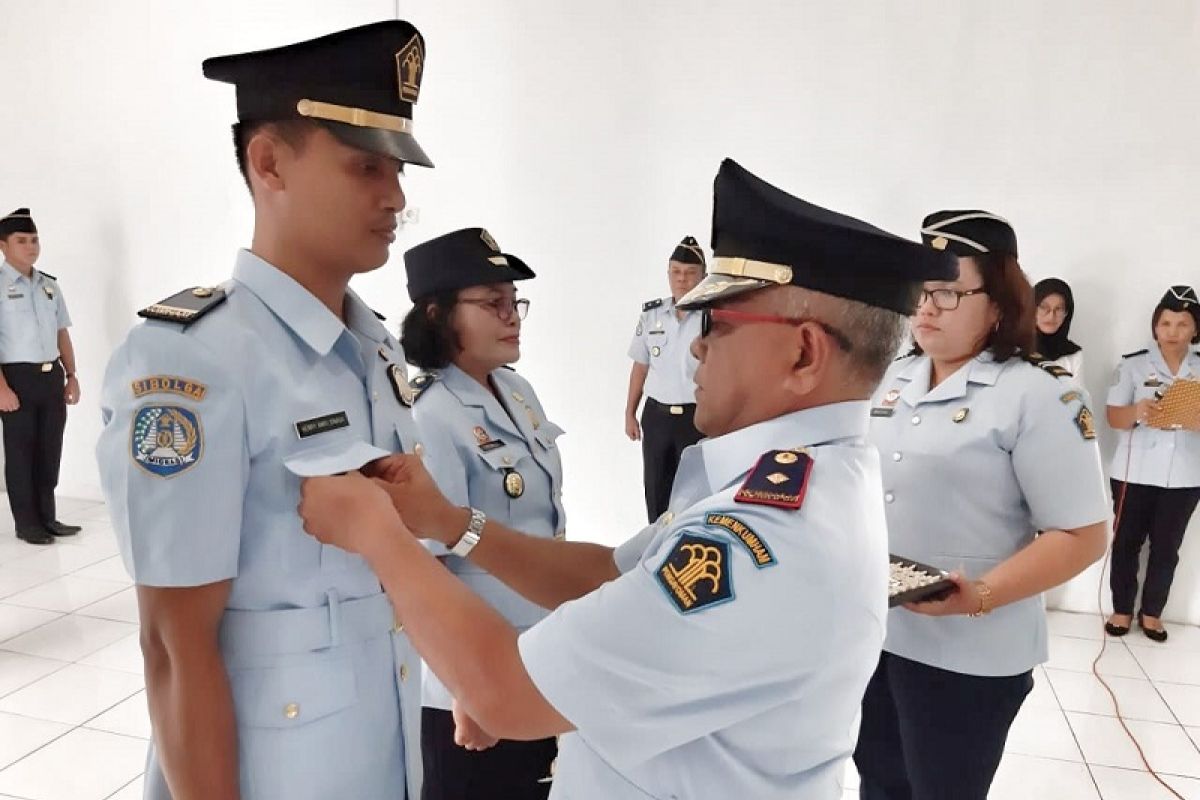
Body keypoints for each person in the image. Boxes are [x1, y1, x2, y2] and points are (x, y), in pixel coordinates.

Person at [297, 158, 958, 799]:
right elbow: (609, 573)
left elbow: (507, 694)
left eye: (718, 323)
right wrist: (447, 523)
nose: (694, 344)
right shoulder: (796, 481)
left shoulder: (766, 538)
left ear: (804, 352)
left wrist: (379, 536)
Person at [95, 22, 433, 799]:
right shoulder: (192, 362)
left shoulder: (374, 348)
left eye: (397, 170)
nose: (395, 197)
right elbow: (174, 646)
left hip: (382, 759)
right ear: (269, 162)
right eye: (366, 166)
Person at [853, 211, 1110, 800]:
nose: (926, 308)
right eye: (920, 292)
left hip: (971, 655)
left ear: (998, 304)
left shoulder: (1041, 393)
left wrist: (982, 595)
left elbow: (1082, 535)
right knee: (880, 783)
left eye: (947, 292)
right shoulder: (892, 378)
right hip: (877, 635)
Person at [399, 227, 563, 799]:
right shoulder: (429, 414)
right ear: (438, 314)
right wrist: (464, 689)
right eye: (492, 303)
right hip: (473, 681)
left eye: (514, 301)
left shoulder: (516, 391)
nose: (511, 315)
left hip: (535, 655)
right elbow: (423, 572)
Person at [1104, 285, 1200, 643]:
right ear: (1155, 326)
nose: (1173, 332)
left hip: (1185, 474)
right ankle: (1121, 609)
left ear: (1195, 328)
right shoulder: (1133, 365)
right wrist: (1138, 411)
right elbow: (1113, 417)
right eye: (1165, 323)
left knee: (1166, 548)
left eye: (1182, 324)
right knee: (1126, 543)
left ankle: (1152, 613)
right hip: (1135, 472)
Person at [0, 208, 81, 545]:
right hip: (15, 378)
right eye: (21, 240)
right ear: (3, 245)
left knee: (49, 449)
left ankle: (47, 517)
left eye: (34, 240)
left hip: (50, 376)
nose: (31, 246)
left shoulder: (49, 285)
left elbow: (62, 332)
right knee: (21, 453)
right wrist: (1, 388)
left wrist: (71, 375)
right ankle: (27, 523)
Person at [625, 236, 706, 521]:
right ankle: (656, 545)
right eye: (676, 272)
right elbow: (640, 366)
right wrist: (630, 413)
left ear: (703, 276)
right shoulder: (652, 316)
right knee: (657, 491)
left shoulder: (712, 318)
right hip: (657, 417)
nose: (682, 279)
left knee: (695, 494)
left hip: (697, 418)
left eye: (690, 273)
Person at [1033, 277, 1084, 380]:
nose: (1051, 316)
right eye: (1044, 307)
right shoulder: (1016, 350)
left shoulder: (1073, 355)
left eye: (1059, 309)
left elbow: (1077, 390)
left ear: (1067, 313)